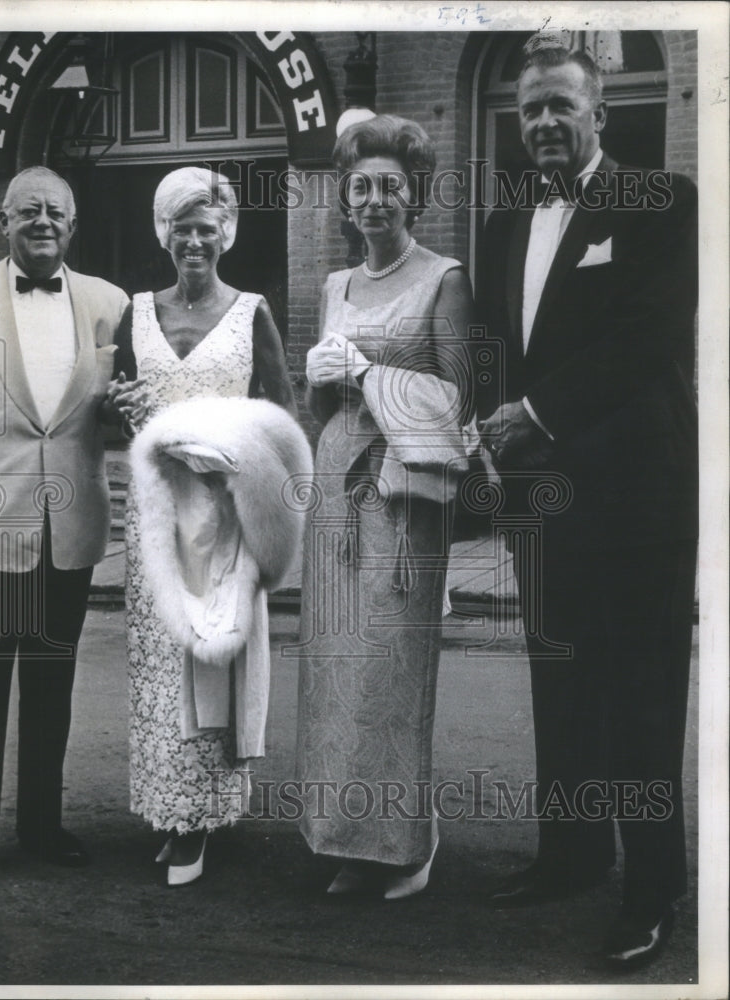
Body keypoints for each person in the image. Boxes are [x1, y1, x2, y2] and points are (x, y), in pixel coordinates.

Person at [476, 42, 698, 969]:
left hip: (637, 494)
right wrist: (484, 426)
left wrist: (534, 412)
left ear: (600, 115)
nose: (545, 124)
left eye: (563, 106)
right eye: (531, 111)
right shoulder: (502, 219)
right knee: (559, 678)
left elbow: (650, 335)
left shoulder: (663, 202)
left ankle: (654, 888)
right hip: (540, 495)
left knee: (639, 693)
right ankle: (569, 853)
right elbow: (493, 340)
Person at [295, 115, 475, 899]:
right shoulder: (334, 284)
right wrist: (317, 376)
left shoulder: (445, 277)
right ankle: (342, 838)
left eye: (389, 188)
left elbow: (461, 396)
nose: (374, 200)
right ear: (345, 199)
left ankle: (407, 844)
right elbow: (316, 404)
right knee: (335, 671)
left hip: (404, 496)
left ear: (414, 197)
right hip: (338, 485)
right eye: (361, 187)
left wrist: (369, 370)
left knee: (390, 669)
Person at [103, 166, 297, 887]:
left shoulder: (252, 313)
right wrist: (117, 404)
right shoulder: (137, 312)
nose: (194, 240)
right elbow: (114, 409)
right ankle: (170, 809)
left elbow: (281, 417)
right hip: (154, 519)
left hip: (223, 521)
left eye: (206, 227)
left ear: (227, 234)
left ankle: (201, 823)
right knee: (159, 669)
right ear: (164, 233)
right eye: (180, 226)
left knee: (209, 662)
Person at [0, 166, 129, 876]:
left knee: (52, 685)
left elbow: (119, 407)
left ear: (73, 223)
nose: (43, 222)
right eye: (28, 211)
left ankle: (42, 828)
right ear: (3, 221)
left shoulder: (110, 304)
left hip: (70, 525)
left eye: (56, 211)